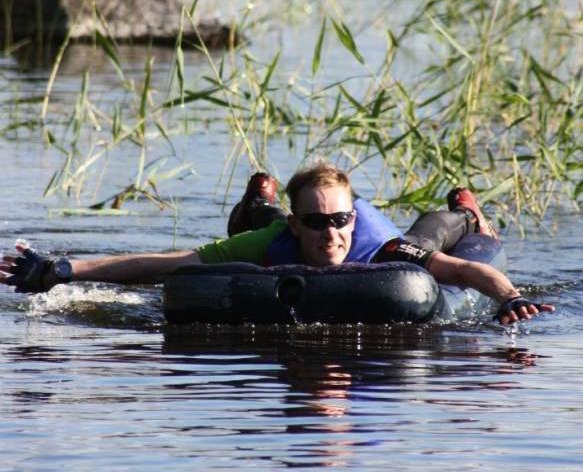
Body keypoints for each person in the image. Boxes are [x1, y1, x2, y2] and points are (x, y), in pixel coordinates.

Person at [0, 162, 554, 325]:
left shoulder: (376, 246)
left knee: (434, 228)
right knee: (255, 224)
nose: (330, 234)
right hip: (271, 226)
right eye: (315, 223)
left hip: (405, 237)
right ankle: (260, 198)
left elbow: (466, 273)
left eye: (338, 220)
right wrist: (62, 269)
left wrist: (508, 295)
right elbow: (163, 264)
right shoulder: (280, 237)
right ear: (298, 225)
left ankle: (466, 207)